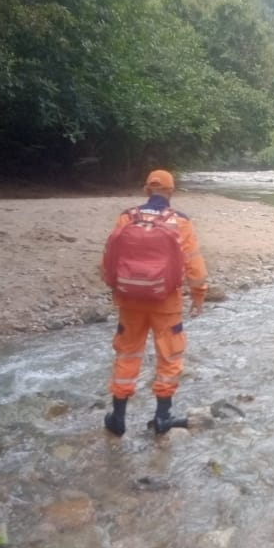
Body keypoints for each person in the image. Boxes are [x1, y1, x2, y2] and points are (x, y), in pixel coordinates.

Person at [100, 169, 207, 436]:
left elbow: (108, 260)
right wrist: (199, 295)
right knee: (169, 356)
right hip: (166, 302)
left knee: (127, 354)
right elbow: (194, 264)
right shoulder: (180, 222)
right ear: (171, 192)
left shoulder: (127, 217)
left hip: (129, 300)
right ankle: (162, 417)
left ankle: (118, 418)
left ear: (147, 190)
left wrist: (117, 290)